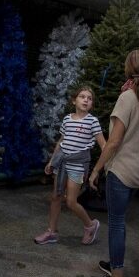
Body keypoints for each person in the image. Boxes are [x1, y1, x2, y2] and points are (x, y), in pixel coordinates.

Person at [88, 50, 139, 277]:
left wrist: (97, 169)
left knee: (117, 224)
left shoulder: (127, 97)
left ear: (127, 68)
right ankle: (115, 262)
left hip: (121, 171)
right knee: (120, 220)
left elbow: (113, 142)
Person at [34, 86, 106, 246]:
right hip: (62, 163)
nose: (86, 99)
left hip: (78, 165)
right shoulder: (67, 119)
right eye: (82, 96)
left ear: (91, 104)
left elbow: (104, 145)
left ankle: (90, 225)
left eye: (89, 98)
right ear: (74, 100)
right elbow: (61, 141)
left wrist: (101, 167)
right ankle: (51, 232)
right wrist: (52, 161)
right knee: (56, 196)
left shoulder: (92, 121)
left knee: (71, 201)